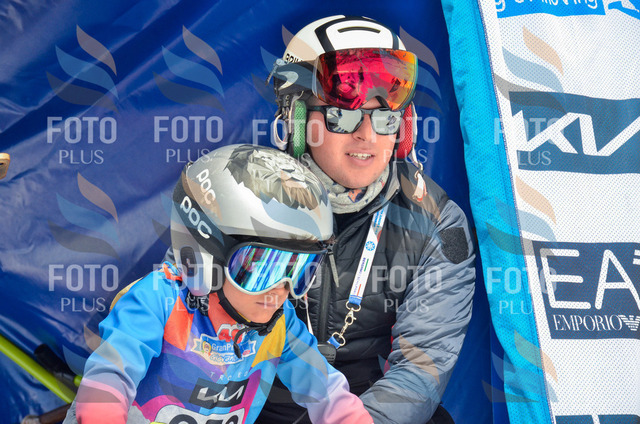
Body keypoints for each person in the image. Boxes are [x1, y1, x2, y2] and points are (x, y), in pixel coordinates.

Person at [257, 16, 476, 424]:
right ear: (296, 121)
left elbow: (419, 372)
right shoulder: (240, 196)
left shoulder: (437, 222)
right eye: (342, 115)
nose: (367, 135)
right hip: (253, 404)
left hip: (368, 408)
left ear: (404, 128)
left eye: (385, 117)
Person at [63, 144, 374, 424]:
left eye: (299, 270)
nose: (280, 290)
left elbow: (327, 391)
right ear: (205, 258)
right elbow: (109, 380)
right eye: (261, 269)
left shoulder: (281, 326)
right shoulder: (157, 302)